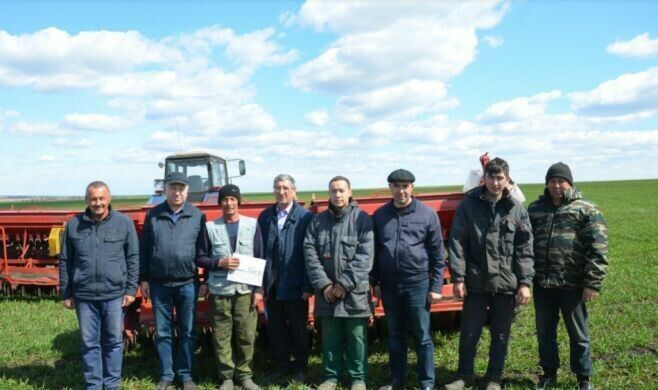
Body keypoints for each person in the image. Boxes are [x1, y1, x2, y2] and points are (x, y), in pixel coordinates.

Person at [446, 157, 534, 390]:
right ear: (483, 179)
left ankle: (493, 378)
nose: (495, 183)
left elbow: (525, 248)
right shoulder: (468, 205)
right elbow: (457, 242)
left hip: (506, 283)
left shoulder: (516, 208)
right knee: (469, 332)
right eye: (491, 177)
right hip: (475, 281)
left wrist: (525, 283)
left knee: (501, 333)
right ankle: (464, 375)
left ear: (507, 179)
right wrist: (459, 278)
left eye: (500, 178)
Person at [528, 162, 608, 390]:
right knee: (545, 333)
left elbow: (598, 247)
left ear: (569, 183)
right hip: (543, 284)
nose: (557, 185)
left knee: (578, 334)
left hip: (572, 285)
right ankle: (548, 373)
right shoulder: (535, 209)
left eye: (561, 181)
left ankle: (583, 377)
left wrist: (592, 283)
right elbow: (524, 245)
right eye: (552, 181)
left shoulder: (586, 209)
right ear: (547, 183)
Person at [59, 181, 139, 390]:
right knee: (89, 344)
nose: (98, 203)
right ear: (87, 200)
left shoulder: (123, 223)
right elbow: (66, 260)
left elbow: (133, 257)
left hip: (114, 295)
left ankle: (112, 385)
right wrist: (66, 293)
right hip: (84, 296)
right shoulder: (74, 224)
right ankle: (93, 385)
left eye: (101, 198)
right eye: (93, 199)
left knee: (113, 342)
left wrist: (131, 289)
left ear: (109, 198)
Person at [372, 169, 445, 390]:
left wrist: (436, 286)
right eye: (396, 186)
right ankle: (397, 380)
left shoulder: (427, 214)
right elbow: (375, 251)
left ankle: (426, 383)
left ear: (412, 187)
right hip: (389, 284)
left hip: (418, 283)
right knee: (395, 335)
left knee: (422, 336)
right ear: (390, 188)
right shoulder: (380, 215)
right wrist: (375, 282)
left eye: (405, 186)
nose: (401, 190)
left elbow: (438, 254)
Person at [304, 176, 374, 390]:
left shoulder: (362, 219)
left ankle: (358, 378)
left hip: (355, 292)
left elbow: (365, 256)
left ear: (350, 192)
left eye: (342, 190)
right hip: (327, 293)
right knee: (330, 337)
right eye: (334, 191)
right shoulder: (317, 221)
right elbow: (310, 252)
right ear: (329, 194)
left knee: (357, 338)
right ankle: (330, 376)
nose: (338, 195)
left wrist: (343, 283)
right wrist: (324, 285)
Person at [140, 172, 206, 390]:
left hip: (188, 283)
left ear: (187, 190)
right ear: (165, 190)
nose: (177, 192)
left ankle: (186, 375)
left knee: (188, 331)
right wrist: (144, 279)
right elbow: (145, 249)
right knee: (163, 331)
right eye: (172, 188)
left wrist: (204, 279)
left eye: (181, 188)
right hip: (159, 284)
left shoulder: (198, 216)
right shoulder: (154, 215)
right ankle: (167, 374)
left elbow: (204, 251)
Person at [195, 184, 264, 390]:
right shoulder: (210, 227)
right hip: (220, 291)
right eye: (224, 199)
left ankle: (244, 375)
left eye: (232, 199)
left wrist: (259, 290)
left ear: (238, 201)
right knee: (222, 334)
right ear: (220, 203)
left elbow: (261, 258)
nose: (229, 203)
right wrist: (219, 263)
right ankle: (226, 377)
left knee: (246, 334)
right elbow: (200, 258)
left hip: (245, 291)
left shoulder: (252, 225)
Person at [257, 174, 313, 384]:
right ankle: (281, 366)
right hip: (272, 283)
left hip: (297, 284)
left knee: (299, 328)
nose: (281, 192)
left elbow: (311, 254)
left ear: (294, 191)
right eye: (277, 188)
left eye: (285, 188)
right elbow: (259, 251)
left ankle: (300, 368)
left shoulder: (305, 217)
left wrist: (308, 284)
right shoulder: (266, 217)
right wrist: (260, 284)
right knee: (276, 328)